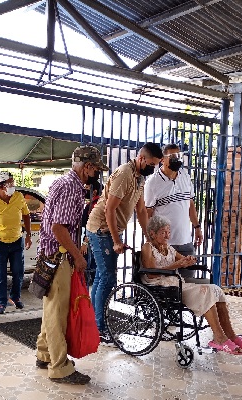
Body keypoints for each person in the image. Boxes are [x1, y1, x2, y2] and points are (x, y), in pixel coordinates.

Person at [35, 145, 108, 385]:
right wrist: (77, 256)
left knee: (51, 309)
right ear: (87, 166)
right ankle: (60, 367)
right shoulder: (71, 187)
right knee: (58, 314)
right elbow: (59, 228)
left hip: (49, 255)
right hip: (59, 257)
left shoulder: (62, 182)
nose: (97, 172)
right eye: (96, 168)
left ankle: (45, 353)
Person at [140, 215, 242, 355]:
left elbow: (182, 260)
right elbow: (151, 274)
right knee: (206, 291)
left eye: (169, 232)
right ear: (152, 233)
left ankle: (231, 335)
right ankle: (218, 338)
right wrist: (176, 265)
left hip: (175, 283)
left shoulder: (169, 248)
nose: (167, 235)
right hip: (160, 286)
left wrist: (188, 260)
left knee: (216, 290)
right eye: (163, 232)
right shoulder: (147, 247)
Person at [85, 142, 162, 342]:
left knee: (103, 277)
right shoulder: (124, 174)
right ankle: (100, 327)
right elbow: (109, 209)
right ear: (142, 158)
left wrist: (149, 237)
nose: (154, 168)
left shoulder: (139, 178)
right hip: (101, 228)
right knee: (108, 278)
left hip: (110, 230)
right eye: (153, 163)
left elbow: (141, 211)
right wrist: (117, 241)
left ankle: (94, 322)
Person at [145, 143, 204, 281]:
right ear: (163, 160)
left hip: (185, 242)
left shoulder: (185, 176)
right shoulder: (152, 183)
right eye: (172, 156)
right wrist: (151, 240)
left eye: (179, 155)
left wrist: (197, 227)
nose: (177, 159)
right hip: (165, 244)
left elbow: (190, 204)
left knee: (188, 283)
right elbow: (147, 214)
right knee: (168, 284)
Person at [0, 171, 32, 314]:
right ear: (1, 186)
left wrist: (28, 235)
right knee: (0, 274)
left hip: (16, 241)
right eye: (10, 183)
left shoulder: (18, 197)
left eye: (12, 182)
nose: (12, 186)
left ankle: (15, 297)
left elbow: (26, 215)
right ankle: (0, 303)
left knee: (18, 271)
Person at [80, 182, 102, 286]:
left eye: (87, 188)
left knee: (91, 269)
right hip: (93, 239)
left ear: (94, 191)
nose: (85, 190)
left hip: (92, 240)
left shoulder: (94, 205)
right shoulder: (94, 203)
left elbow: (92, 226)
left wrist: (85, 243)